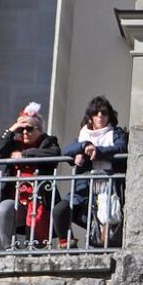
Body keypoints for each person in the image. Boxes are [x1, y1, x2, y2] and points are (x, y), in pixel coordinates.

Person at [53, 95, 128, 248]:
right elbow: (67, 150)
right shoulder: (83, 135)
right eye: (96, 113)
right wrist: (83, 147)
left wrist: (97, 151)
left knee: (104, 222)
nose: (100, 116)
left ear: (110, 116)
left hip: (108, 185)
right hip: (84, 187)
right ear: (90, 117)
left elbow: (121, 148)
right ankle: (67, 244)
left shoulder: (116, 133)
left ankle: (103, 246)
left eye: (104, 113)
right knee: (60, 210)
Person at [0, 102, 61, 249]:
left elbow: (54, 154)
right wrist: (12, 130)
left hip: (39, 200)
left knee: (37, 226)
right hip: (16, 201)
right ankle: (9, 249)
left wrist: (24, 155)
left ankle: (36, 252)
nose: (24, 132)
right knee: (3, 209)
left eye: (29, 129)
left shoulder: (48, 141)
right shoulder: (13, 144)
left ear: (39, 130)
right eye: (21, 129)